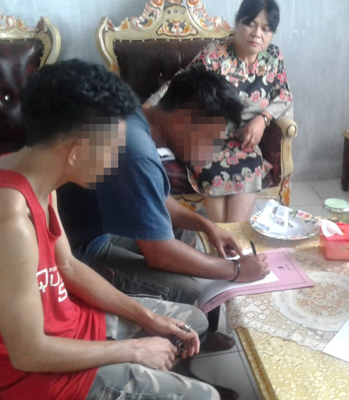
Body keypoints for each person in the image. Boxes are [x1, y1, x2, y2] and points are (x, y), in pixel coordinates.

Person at [0, 59, 219, 400]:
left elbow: (67, 266)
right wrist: (134, 350)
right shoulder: (12, 222)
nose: (115, 161)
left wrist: (148, 318)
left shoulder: (40, 176)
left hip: (69, 321)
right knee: (206, 397)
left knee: (190, 322)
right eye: (112, 148)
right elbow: (28, 353)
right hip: (39, 375)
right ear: (77, 151)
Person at [58, 66, 270, 314]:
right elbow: (159, 254)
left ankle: (184, 303)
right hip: (77, 250)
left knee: (192, 225)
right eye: (211, 138)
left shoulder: (135, 115)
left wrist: (206, 226)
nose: (212, 149)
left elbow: (152, 195)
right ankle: (184, 324)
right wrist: (236, 270)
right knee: (186, 289)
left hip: (98, 225)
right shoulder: (138, 152)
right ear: (184, 119)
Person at [147, 0, 293, 223]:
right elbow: (183, 83)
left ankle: (232, 237)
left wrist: (263, 119)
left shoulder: (274, 57)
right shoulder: (215, 53)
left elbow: (284, 95)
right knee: (211, 166)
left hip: (244, 140)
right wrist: (148, 110)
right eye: (251, 24)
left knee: (250, 166)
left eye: (266, 29)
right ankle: (225, 237)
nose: (257, 34)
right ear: (237, 22)